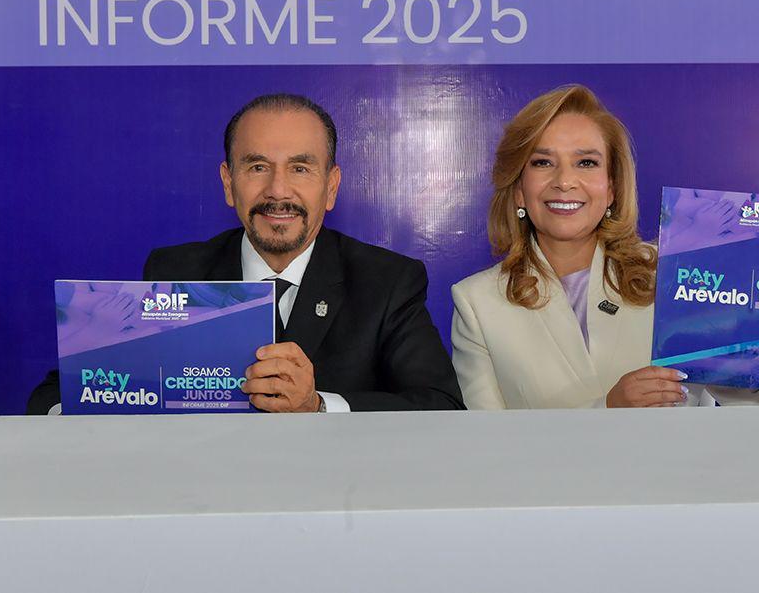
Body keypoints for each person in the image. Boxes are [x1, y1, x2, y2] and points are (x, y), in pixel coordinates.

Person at [450, 85, 759, 409]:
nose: (565, 181)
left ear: (612, 188)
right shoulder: (477, 304)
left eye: (587, 162)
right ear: (518, 189)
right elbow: (487, 452)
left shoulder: (677, 272)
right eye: (542, 162)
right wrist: (607, 410)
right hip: (550, 520)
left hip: (680, 508)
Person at [28, 93, 464, 414]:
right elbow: (57, 395)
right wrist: (102, 411)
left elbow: (441, 407)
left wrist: (317, 406)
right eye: (257, 167)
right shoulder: (176, 272)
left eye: (300, 168)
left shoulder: (387, 282)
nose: (278, 190)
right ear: (228, 182)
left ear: (331, 187)